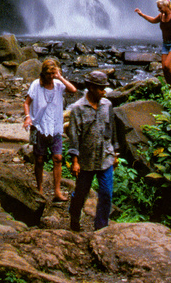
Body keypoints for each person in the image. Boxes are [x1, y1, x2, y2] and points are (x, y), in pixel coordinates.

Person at [67, 70, 118, 232]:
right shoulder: (78, 109)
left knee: (106, 193)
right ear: (90, 87)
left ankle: (101, 228)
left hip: (105, 156)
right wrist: (74, 161)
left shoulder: (107, 105)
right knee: (81, 194)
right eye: (100, 88)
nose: (104, 92)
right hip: (85, 160)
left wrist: (115, 154)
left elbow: (112, 130)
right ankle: (74, 217)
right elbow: (74, 136)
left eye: (104, 88)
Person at [23, 57, 77, 203]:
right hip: (38, 125)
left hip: (55, 126)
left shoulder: (59, 84)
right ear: (43, 73)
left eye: (53, 74)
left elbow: (73, 90)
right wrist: (28, 117)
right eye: (49, 74)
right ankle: (39, 188)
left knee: (58, 158)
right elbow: (27, 103)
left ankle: (57, 191)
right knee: (39, 159)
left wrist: (60, 76)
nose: (51, 77)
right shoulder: (36, 85)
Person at [135, 0, 171, 87]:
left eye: (160, 8)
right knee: (164, 68)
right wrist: (142, 15)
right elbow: (153, 20)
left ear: (166, 6)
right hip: (165, 44)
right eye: (158, 8)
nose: (159, 10)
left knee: (168, 66)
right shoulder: (161, 15)